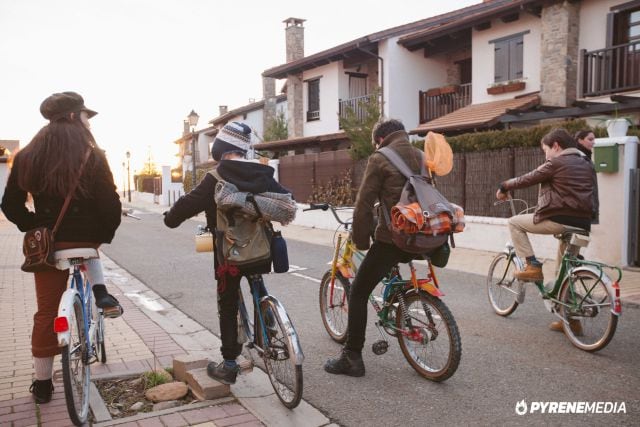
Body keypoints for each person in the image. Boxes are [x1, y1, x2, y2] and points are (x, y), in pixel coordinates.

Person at [1, 91, 123, 404]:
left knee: (45, 311)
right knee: (89, 252)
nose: (87, 121)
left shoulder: (28, 154)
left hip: (48, 247)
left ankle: (42, 384)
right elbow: (110, 204)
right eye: (85, 115)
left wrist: (34, 227)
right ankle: (100, 291)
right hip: (84, 241)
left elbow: (10, 204)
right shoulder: (91, 153)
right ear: (72, 116)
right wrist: (101, 236)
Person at [163, 121, 291, 385]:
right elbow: (284, 200)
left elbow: (188, 204)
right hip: (261, 251)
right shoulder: (262, 172)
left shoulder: (216, 176)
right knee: (257, 277)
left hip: (229, 258)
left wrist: (170, 218)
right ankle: (266, 315)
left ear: (221, 148)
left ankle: (230, 364)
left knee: (228, 303)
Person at [324, 119, 422, 377]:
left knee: (358, 292)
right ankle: (396, 299)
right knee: (388, 263)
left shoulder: (380, 158)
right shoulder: (420, 155)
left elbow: (363, 203)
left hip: (394, 239)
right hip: (422, 236)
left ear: (380, 139)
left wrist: (361, 241)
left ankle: (352, 357)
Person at [495, 128, 595, 284]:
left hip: (560, 220)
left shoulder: (556, 162)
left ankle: (532, 266)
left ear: (555, 146)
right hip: (583, 223)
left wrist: (504, 186)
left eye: (545, 150)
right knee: (563, 271)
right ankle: (565, 300)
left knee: (514, 222)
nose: (546, 155)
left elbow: (527, 179)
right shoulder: (587, 164)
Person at [574, 129, 599, 224]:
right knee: (579, 237)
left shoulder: (586, 157)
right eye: (590, 139)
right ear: (580, 140)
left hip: (586, 208)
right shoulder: (577, 158)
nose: (593, 142)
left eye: (594, 139)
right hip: (581, 210)